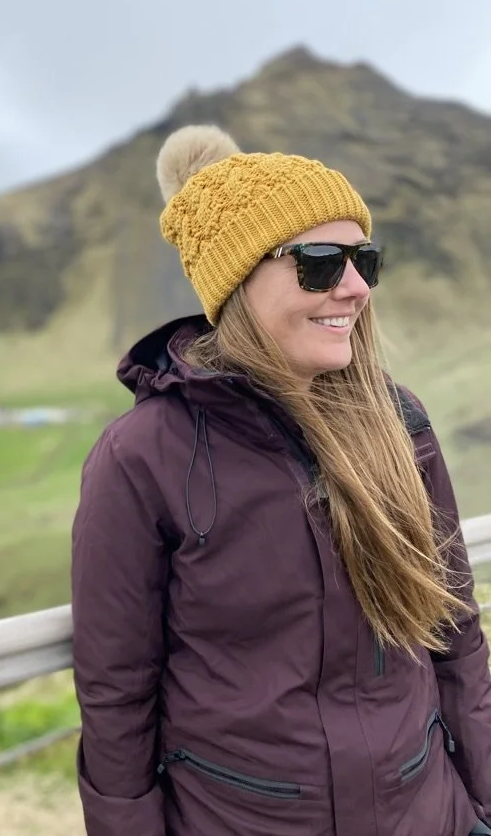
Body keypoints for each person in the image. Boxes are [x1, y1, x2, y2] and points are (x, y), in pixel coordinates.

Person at [71, 125, 491, 836]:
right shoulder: (142, 457)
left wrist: (482, 804)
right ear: (238, 279)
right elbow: (117, 702)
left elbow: (456, 634)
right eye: (320, 262)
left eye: (365, 259)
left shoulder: (400, 423)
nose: (355, 288)